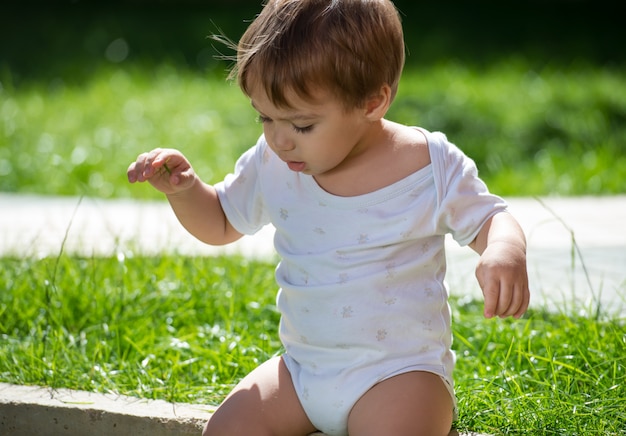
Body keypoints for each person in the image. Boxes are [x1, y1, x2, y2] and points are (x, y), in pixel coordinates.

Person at [127, 0, 530, 434]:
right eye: (265, 117)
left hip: (399, 375)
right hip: (302, 372)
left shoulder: (427, 166)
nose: (279, 139)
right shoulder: (273, 162)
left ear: (373, 102)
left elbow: (491, 217)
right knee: (226, 429)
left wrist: (503, 250)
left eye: (301, 125)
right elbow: (222, 221)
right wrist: (186, 191)